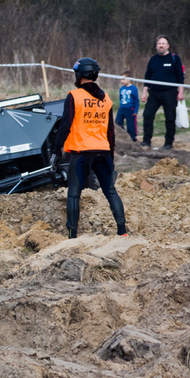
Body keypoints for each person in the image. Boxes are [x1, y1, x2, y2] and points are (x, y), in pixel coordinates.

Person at [52, 57, 127, 240]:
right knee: (110, 191)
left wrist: (56, 151)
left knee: (74, 194)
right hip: (102, 151)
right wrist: (111, 156)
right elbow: (111, 131)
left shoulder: (74, 96)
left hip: (81, 152)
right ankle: (122, 231)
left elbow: (66, 125)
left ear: (79, 75)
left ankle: (72, 236)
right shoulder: (106, 98)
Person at [141, 35, 184, 150]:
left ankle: (168, 143)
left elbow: (180, 77)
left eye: (163, 43)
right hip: (154, 93)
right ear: (156, 46)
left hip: (170, 93)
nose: (161, 45)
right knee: (147, 115)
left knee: (170, 118)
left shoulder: (174, 58)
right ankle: (146, 141)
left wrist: (180, 92)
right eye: (159, 44)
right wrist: (144, 92)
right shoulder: (153, 59)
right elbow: (147, 77)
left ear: (168, 46)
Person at [115, 71, 139, 142]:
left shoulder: (133, 88)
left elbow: (136, 100)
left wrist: (135, 110)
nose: (121, 81)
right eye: (121, 79)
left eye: (123, 79)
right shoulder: (122, 88)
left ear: (129, 79)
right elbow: (120, 97)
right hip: (122, 108)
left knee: (131, 125)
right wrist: (120, 106)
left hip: (130, 109)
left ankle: (132, 138)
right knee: (117, 122)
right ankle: (123, 135)